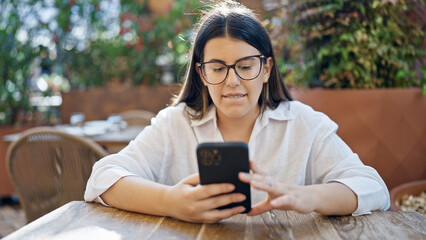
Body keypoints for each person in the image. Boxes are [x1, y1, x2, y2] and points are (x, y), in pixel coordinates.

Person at [84, 0, 390, 223]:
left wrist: (306, 196)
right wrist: (170, 202)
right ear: (202, 74)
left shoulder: (303, 123)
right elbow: (103, 177)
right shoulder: (174, 124)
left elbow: (373, 187)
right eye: (218, 68)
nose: (233, 81)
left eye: (245, 66)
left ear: (267, 68)